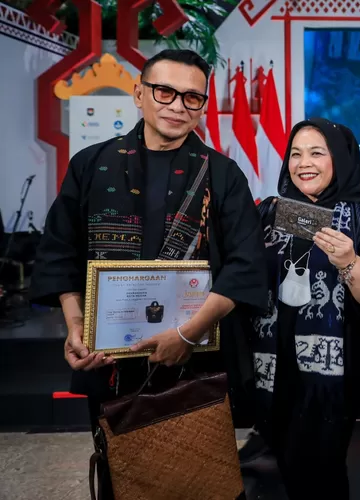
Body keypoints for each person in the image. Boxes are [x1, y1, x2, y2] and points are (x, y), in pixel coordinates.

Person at [30, 49, 268, 498]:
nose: (178, 106)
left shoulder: (222, 174)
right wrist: (78, 327)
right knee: (122, 478)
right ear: (139, 94)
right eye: (165, 92)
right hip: (109, 360)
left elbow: (246, 265)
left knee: (198, 479)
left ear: (202, 106)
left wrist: (188, 334)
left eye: (192, 97)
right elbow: (60, 252)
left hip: (196, 362)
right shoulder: (91, 164)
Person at [247, 117, 360, 499]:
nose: (303, 163)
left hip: (332, 378)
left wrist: (349, 261)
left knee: (323, 472)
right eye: (295, 154)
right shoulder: (269, 212)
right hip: (272, 369)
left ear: (339, 159)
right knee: (285, 472)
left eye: (316, 153)